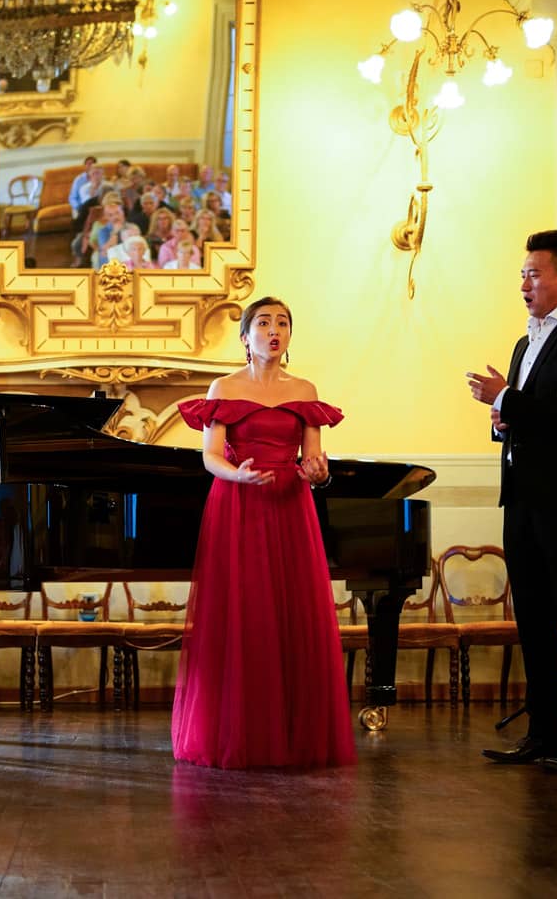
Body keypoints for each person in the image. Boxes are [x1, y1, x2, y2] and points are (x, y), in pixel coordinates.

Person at [172, 297, 356, 770]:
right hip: (238, 502)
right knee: (243, 616)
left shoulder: (305, 389)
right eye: (264, 323)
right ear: (245, 336)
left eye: (283, 323)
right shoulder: (223, 387)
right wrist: (237, 476)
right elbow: (211, 455)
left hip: (291, 505)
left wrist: (318, 473)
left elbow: (314, 459)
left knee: (291, 614)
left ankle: (293, 733)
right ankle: (237, 733)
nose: (274, 330)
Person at [465, 230, 557, 773]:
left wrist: (505, 396)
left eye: (533, 273)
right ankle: (545, 732)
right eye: (522, 274)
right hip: (522, 498)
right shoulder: (525, 343)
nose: (523, 284)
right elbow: (527, 418)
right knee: (532, 617)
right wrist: (503, 420)